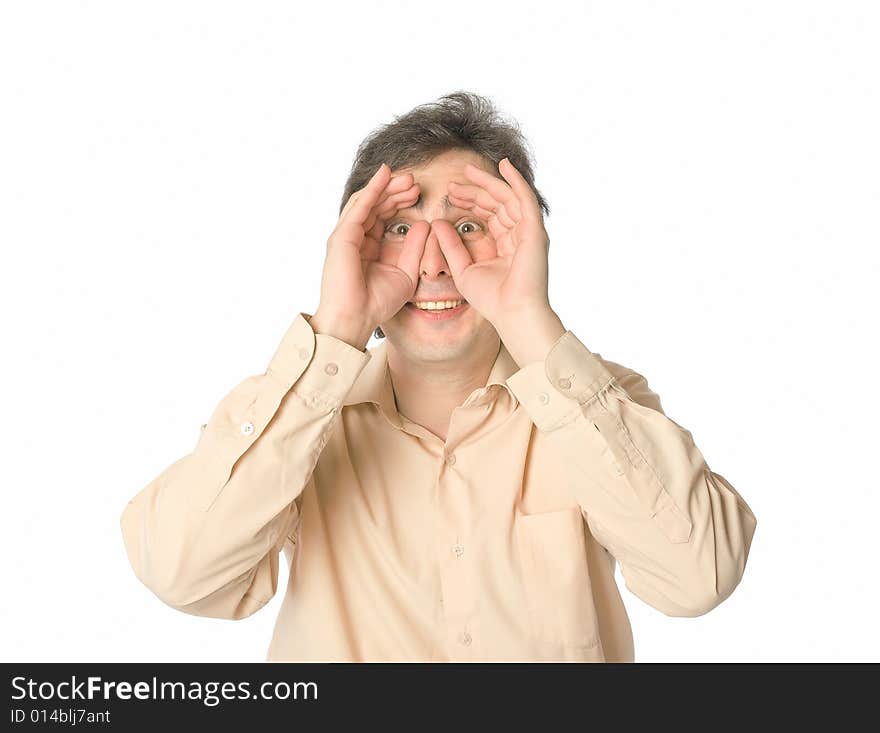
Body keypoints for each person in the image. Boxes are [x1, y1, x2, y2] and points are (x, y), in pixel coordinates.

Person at [120, 91, 757, 662]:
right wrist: (337, 325)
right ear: (358, 244)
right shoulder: (298, 413)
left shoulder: (599, 403)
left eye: (470, 226)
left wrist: (529, 318)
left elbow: (698, 580)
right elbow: (182, 576)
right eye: (400, 228)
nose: (433, 262)